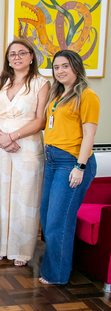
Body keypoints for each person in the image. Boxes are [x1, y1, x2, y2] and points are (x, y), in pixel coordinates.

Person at [0, 39, 50, 266]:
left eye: (22, 53)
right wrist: (2, 138)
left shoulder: (41, 83)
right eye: (12, 54)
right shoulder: (0, 82)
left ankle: (21, 250)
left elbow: (41, 120)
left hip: (28, 145)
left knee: (25, 198)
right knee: (0, 196)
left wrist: (13, 137)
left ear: (32, 56)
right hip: (1, 144)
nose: (17, 57)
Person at [39, 50, 99, 285]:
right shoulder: (58, 94)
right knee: (46, 218)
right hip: (52, 160)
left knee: (58, 220)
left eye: (65, 66)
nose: (60, 71)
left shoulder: (87, 95)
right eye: (56, 67)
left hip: (71, 163)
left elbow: (89, 135)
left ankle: (57, 275)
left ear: (76, 67)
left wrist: (80, 166)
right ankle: (57, 267)